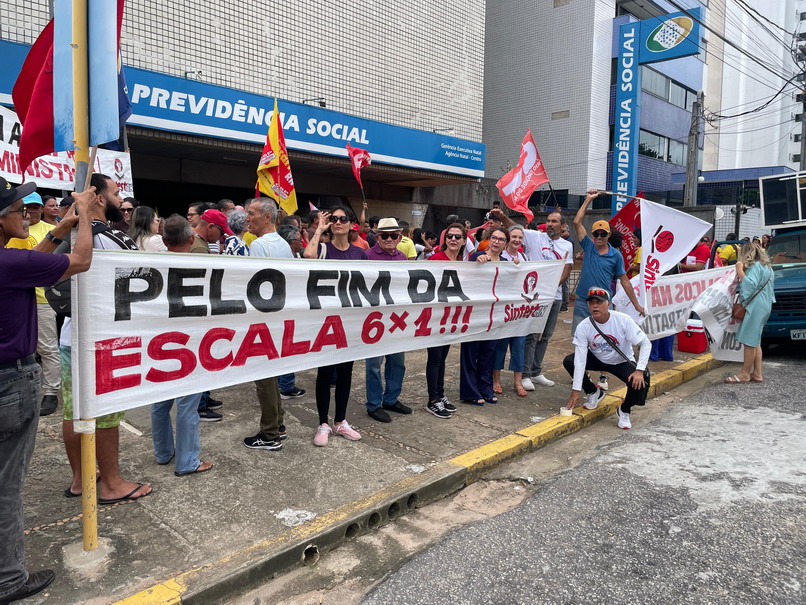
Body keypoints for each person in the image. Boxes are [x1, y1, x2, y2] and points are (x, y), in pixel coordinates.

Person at [0, 178, 94, 604]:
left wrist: (61, 228)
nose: (28, 215)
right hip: (10, 382)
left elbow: (29, 263)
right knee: (7, 486)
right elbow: (82, 260)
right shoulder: (8, 263)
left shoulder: (11, 261)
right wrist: (85, 215)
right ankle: (8, 579)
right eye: (19, 210)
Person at [61, 173, 154, 504]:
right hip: (104, 340)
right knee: (107, 413)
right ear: (99, 198)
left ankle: (80, 479)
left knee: (74, 411)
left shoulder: (74, 233)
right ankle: (112, 484)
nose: (121, 200)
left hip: (71, 336)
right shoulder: (107, 239)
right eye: (115, 193)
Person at [151, 215, 213, 477]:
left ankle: (163, 452)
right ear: (190, 239)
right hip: (189, 343)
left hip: (158, 341)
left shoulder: (151, 265)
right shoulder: (200, 267)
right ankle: (187, 461)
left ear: (165, 240)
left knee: (159, 401)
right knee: (188, 404)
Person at [304, 205, 366, 445]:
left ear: (351, 224)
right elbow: (308, 257)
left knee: (345, 373)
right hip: (326, 321)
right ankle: (322, 423)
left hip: (349, 321)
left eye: (343, 219)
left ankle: (340, 421)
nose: (338, 222)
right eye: (334, 219)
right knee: (325, 373)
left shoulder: (360, 253)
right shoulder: (321, 249)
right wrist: (320, 229)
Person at [492, 208, 573, 390]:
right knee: (531, 335)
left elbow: (566, 269)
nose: (550, 224)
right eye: (548, 221)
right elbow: (514, 228)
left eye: (554, 221)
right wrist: (502, 216)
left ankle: (536, 371)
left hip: (554, 296)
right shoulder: (536, 237)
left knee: (546, 336)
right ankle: (526, 374)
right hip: (534, 297)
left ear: (563, 226)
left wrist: (551, 289)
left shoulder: (567, 245)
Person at [241, 198, 298, 450]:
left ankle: (269, 434)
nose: (247, 218)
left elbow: (257, 288)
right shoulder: (283, 244)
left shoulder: (259, 245)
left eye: (251, 213)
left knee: (264, 379)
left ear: (267, 217)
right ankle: (278, 424)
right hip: (278, 319)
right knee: (271, 376)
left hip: (263, 320)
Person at [5, 191, 61, 416]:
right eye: (27, 208)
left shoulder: (52, 231)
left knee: (47, 348)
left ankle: (51, 392)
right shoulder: (12, 229)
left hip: (43, 298)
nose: (32, 212)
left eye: (36, 207)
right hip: (15, 297)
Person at [564, 287, 651, 430]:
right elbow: (580, 360)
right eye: (591, 303)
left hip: (621, 361)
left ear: (608, 304)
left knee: (643, 379)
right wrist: (576, 390)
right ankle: (593, 392)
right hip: (598, 358)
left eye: (599, 302)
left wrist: (640, 370)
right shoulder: (583, 326)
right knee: (569, 361)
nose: (595, 306)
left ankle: (624, 410)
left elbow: (645, 343)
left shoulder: (623, 320)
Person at [570, 189, 644, 333]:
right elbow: (577, 222)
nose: (599, 237)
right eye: (596, 234)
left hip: (603, 301)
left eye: (603, 234)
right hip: (583, 300)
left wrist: (636, 305)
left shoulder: (616, 255)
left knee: (602, 337)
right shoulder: (588, 246)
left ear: (609, 234)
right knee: (579, 337)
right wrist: (588, 199)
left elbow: (625, 281)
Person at [363, 218, 412, 423]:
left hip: (396, 318)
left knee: (397, 362)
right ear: (377, 237)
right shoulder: (367, 256)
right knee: (374, 364)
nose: (389, 239)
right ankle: (374, 404)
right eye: (385, 235)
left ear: (400, 237)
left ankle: (391, 399)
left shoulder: (402, 257)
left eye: (394, 235)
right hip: (374, 318)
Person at [461, 226, 510, 405]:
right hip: (474, 313)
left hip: (494, 315)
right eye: (494, 238)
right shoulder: (477, 256)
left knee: (489, 352)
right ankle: (470, 391)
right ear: (489, 240)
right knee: (470, 352)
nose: (497, 242)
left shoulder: (505, 262)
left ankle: (485, 387)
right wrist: (477, 261)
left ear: (505, 244)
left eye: (501, 239)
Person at [424, 223, 464, 418]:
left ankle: (440, 394)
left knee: (442, 358)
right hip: (435, 317)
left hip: (450, 317)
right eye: (450, 236)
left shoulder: (463, 262)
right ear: (445, 239)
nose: (453, 239)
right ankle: (433, 400)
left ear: (464, 241)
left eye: (457, 236)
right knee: (435, 358)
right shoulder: (436, 259)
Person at [725, 244, 775, 384]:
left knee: (749, 342)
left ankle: (744, 374)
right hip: (765, 305)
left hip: (755, 307)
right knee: (755, 340)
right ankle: (757, 373)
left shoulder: (755, 267)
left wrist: (740, 270)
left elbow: (750, 285)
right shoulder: (767, 267)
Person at [493, 225, 528, 397]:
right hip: (503, 307)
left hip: (520, 308)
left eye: (520, 237)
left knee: (519, 345)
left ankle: (518, 382)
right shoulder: (500, 257)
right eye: (514, 237)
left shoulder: (524, 257)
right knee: (500, 345)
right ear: (507, 239)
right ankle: (496, 381)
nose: (517, 240)